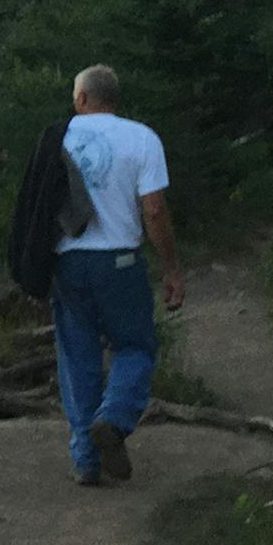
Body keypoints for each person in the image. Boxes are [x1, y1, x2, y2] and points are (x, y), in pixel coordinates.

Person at [51, 64, 182, 485]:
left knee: (78, 357)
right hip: (120, 262)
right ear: (114, 98)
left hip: (68, 262)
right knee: (135, 346)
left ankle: (86, 460)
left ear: (81, 98)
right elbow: (154, 210)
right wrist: (171, 267)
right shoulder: (142, 138)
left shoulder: (57, 138)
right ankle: (114, 417)